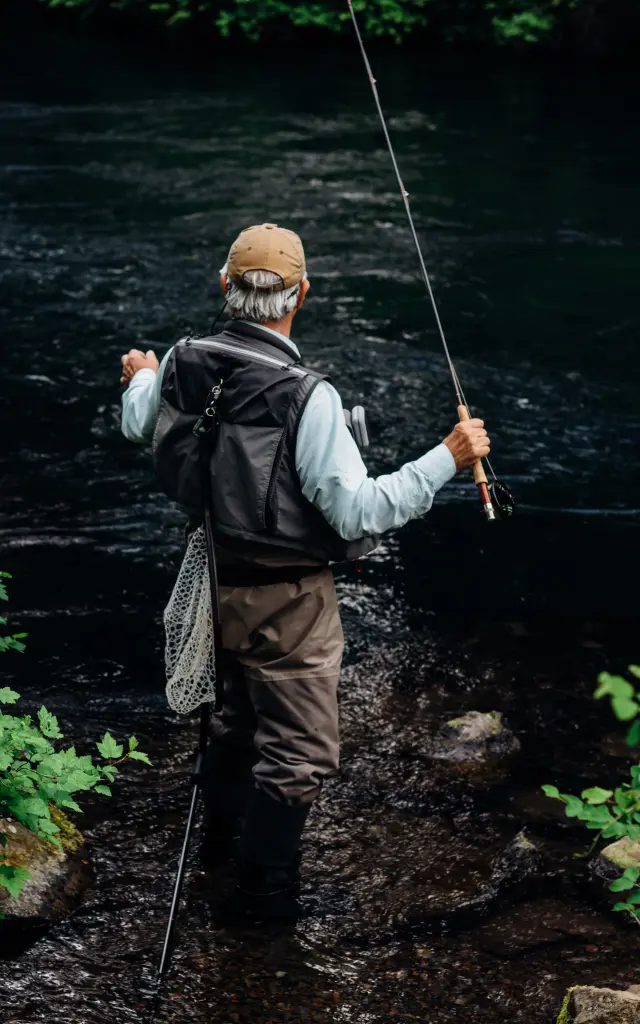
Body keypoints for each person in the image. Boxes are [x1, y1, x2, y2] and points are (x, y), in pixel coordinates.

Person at [120, 222, 490, 920]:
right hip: (289, 604)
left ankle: (218, 860)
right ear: (303, 294)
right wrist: (450, 454)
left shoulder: (179, 360)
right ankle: (263, 908)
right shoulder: (307, 397)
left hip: (211, 581)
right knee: (299, 756)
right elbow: (358, 514)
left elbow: (141, 422)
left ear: (226, 287)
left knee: (230, 725)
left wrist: (141, 376)